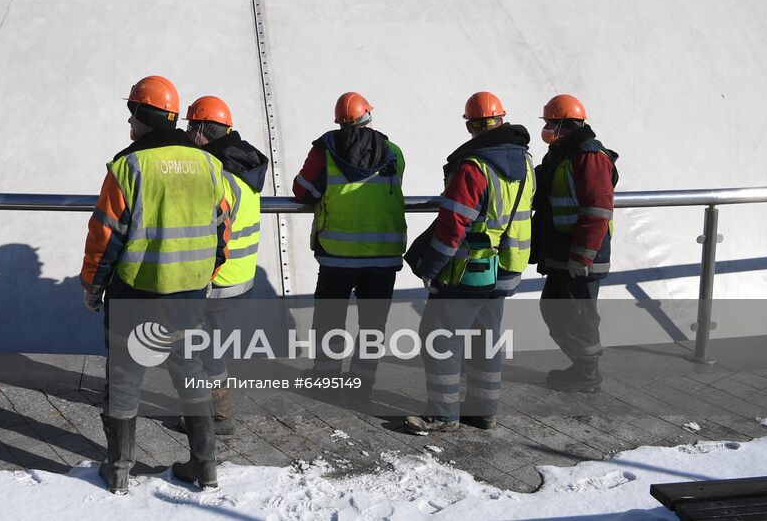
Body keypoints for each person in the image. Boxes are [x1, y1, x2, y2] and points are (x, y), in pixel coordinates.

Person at [81, 75, 234, 493]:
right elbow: (223, 229)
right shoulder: (209, 164)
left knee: (125, 377)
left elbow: (105, 235)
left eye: (131, 115)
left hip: (135, 293)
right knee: (190, 374)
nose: (128, 126)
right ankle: (205, 468)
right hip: (188, 295)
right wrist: (205, 274)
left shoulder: (129, 166)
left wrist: (92, 287)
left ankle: (118, 470)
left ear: (142, 117)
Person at [402, 91, 533, 434]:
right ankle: (482, 410)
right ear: (502, 119)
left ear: (471, 125)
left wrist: (431, 266)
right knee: (486, 337)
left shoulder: (475, 167)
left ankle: (444, 414)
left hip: (470, 271)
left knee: (439, 336)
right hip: (507, 266)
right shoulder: (526, 162)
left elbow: (453, 224)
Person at [292, 92, 405, 398]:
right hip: (383, 255)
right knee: (372, 322)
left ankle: (326, 377)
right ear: (368, 116)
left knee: (329, 317)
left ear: (339, 122)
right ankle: (362, 382)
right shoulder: (393, 152)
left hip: (338, 255)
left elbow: (302, 190)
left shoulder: (324, 151)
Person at [182, 95, 269, 435]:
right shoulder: (244, 167)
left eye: (191, 127)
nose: (188, 134)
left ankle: (205, 418)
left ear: (203, 130)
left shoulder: (216, 174)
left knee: (191, 348)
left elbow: (209, 237)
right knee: (212, 344)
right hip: (239, 279)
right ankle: (220, 411)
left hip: (215, 282)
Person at [533, 94, 618, 393]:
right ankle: (582, 364)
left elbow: (597, 209)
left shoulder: (588, 156)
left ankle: (587, 372)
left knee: (577, 313)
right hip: (562, 251)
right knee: (555, 310)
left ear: (565, 124)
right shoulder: (561, 153)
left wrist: (582, 256)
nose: (546, 129)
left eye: (550, 123)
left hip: (580, 256)